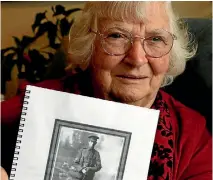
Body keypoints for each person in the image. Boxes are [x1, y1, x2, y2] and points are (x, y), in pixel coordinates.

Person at [1, 2, 212, 180]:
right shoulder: (35, 106)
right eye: (117, 36)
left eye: (156, 39)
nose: (137, 58)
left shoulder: (191, 135)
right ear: (90, 46)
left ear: (171, 53)